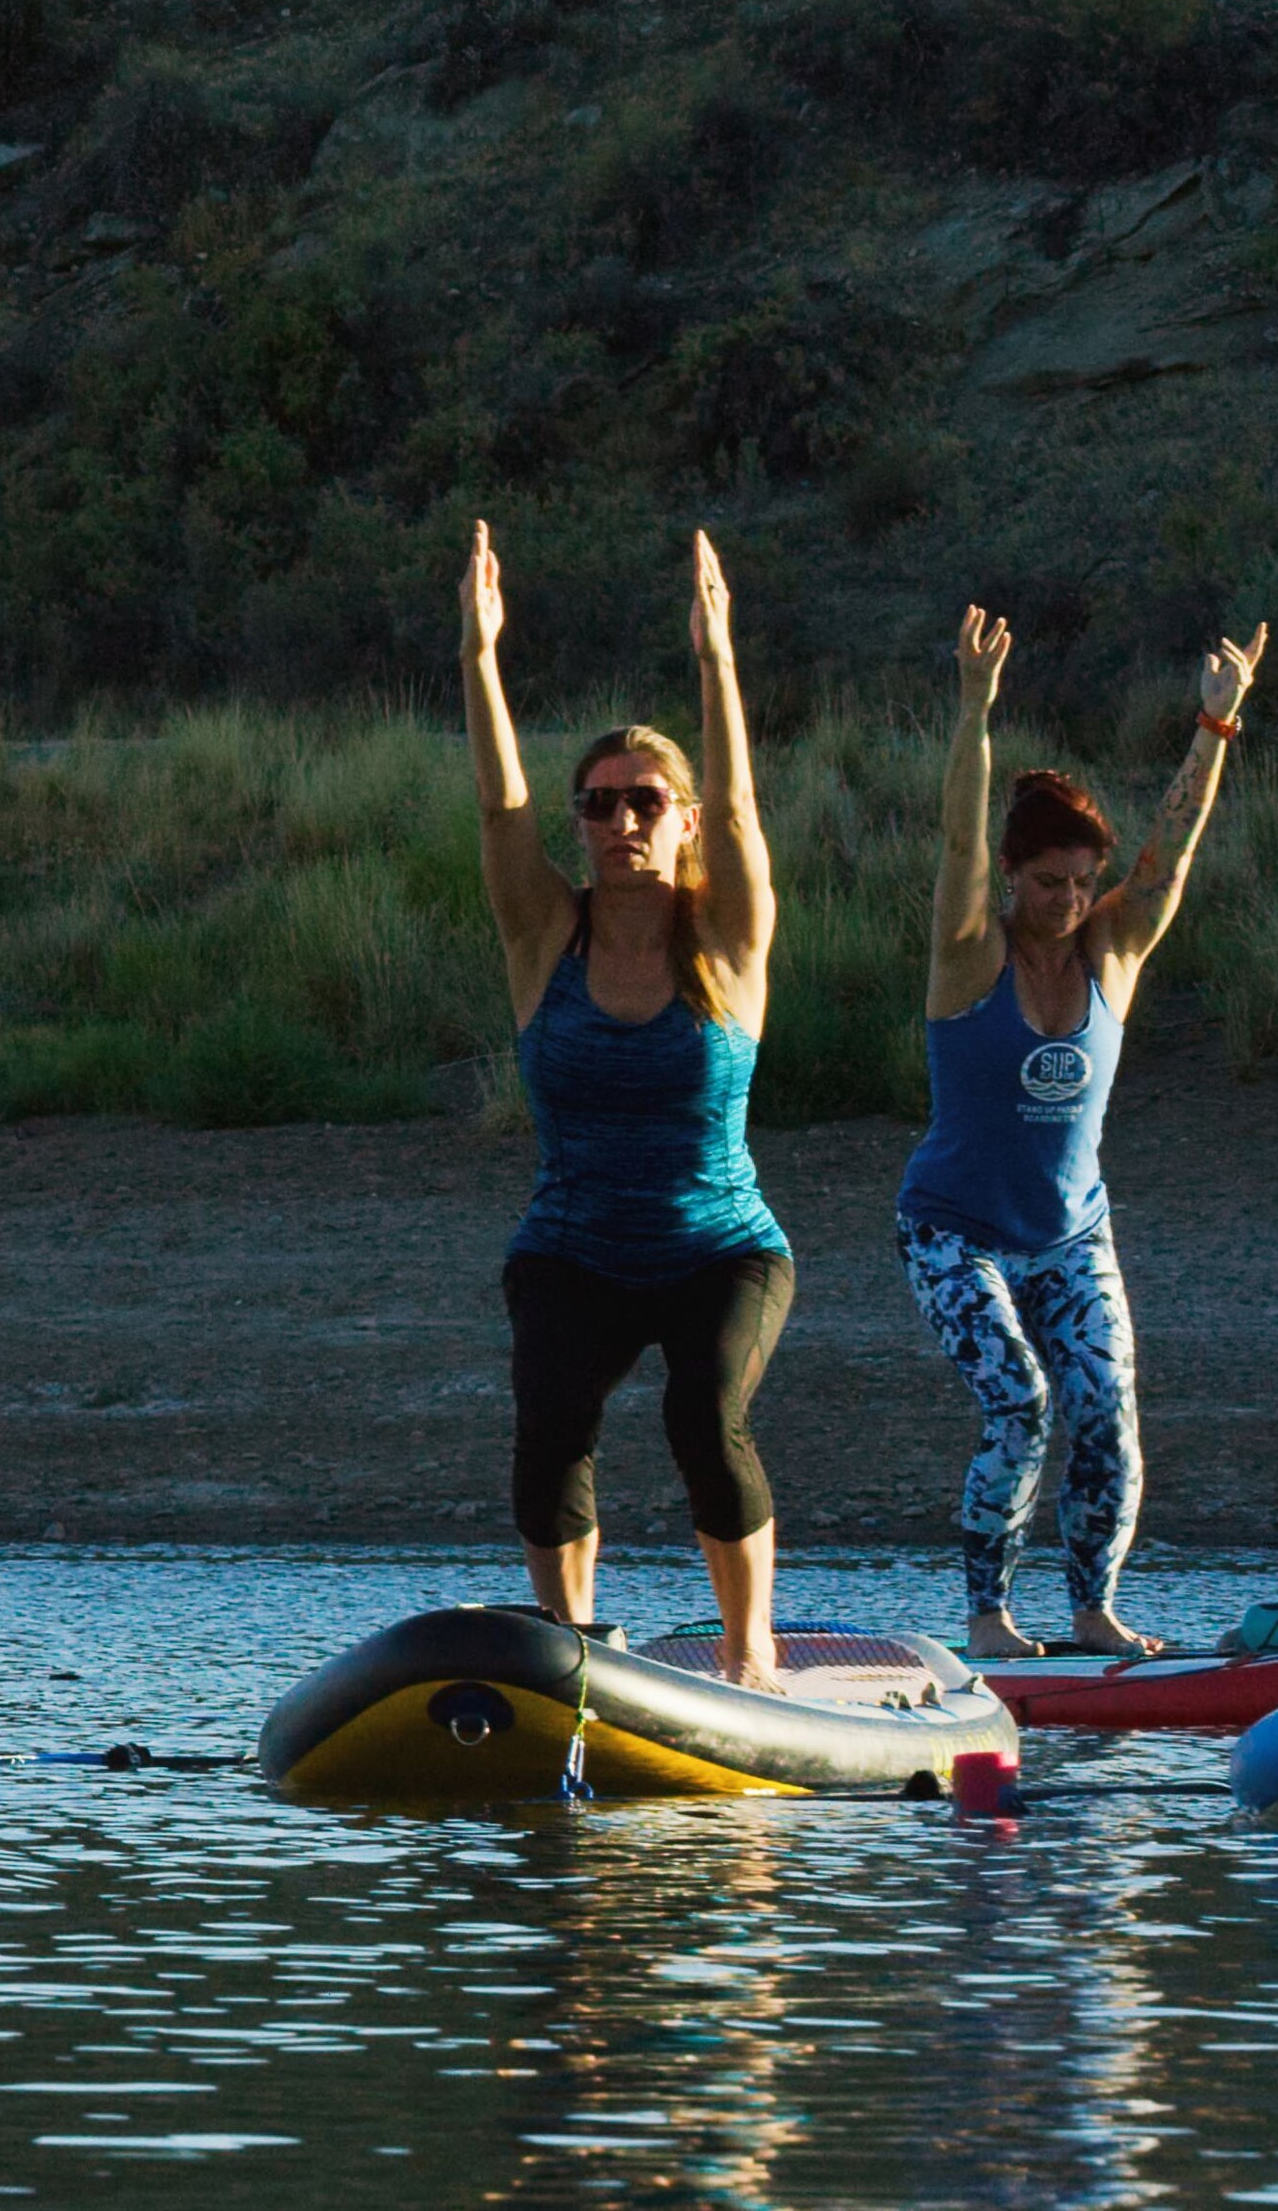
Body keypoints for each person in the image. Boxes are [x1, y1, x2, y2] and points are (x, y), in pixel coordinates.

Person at [459, 522, 792, 1688]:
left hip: (722, 1246)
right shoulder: (547, 934)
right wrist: (481, 655)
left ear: (681, 816)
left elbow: (745, 809)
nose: (620, 821)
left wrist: (717, 661)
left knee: (704, 1415)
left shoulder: (728, 934)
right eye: (598, 804)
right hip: (573, 1245)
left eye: (646, 800)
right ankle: (574, 1644)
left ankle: (750, 1654)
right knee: (551, 1415)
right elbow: (503, 815)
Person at [902, 608, 1265, 1660]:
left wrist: (1216, 721)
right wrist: (974, 708)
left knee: (1104, 1402)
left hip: (1069, 1234)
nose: (1066, 900)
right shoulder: (969, 953)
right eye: (1047, 880)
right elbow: (961, 836)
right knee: (1017, 1400)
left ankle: (1094, 1604)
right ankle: (986, 1615)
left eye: (1079, 882)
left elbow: (1173, 849)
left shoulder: (1114, 947)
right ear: (1014, 877)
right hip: (951, 1231)